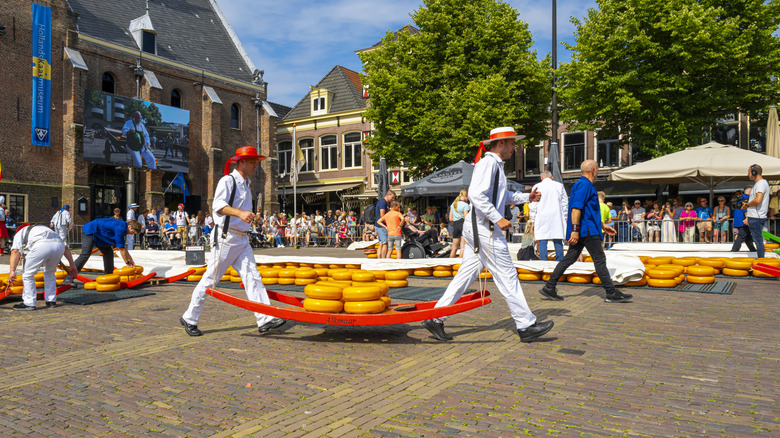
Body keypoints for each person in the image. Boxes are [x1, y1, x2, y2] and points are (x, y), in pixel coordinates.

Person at [422, 126, 552, 343]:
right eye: (512, 143)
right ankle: (526, 324)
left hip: (480, 229)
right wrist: (497, 218)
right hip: (485, 230)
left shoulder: (494, 165)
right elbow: (476, 195)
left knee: (465, 275)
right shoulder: (488, 164)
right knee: (508, 275)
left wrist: (527, 198)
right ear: (501, 143)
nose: (515, 148)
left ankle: (436, 318)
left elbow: (502, 195)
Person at [181, 146, 285, 337]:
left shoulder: (247, 182)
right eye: (253, 162)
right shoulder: (228, 180)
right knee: (211, 279)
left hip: (242, 239)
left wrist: (248, 216)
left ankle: (264, 318)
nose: (256, 165)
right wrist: (241, 213)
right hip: (226, 238)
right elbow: (218, 206)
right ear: (242, 162)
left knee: (252, 276)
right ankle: (190, 317)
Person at [539, 160, 633, 304]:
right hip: (587, 231)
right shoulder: (585, 185)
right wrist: (575, 230)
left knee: (569, 258)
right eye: (597, 171)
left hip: (587, 228)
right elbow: (576, 208)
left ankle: (550, 286)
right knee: (599, 260)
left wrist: (602, 225)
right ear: (593, 170)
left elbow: (588, 211)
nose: (598, 173)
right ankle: (611, 292)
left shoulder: (581, 185)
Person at [8, 224, 79, 310]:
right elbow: (66, 248)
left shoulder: (20, 233)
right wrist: (72, 265)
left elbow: (15, 251)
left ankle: (29, 303)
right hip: (59, 246)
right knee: (50, 273)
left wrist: (12, 271)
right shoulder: (44, 229)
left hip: (42, 245)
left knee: (28, 275)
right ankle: (51, 300)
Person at [73, 218, 142, 277]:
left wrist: (131, 260)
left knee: (109, 253)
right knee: (85, 254)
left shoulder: (123, 227)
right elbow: (121, 249)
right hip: (90, 231)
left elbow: (124, 247)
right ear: (129, 226)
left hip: (100, 236)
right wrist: (127, 263)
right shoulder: (120, 228)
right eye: (132, 232)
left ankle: (108, 276)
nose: (132, 234)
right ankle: (69, 277)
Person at [532, 171, 568, 261]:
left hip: (542, 216)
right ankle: (559, 261)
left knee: (542, 240)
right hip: (557, 216)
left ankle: (543, 261)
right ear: (552, 177)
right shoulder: (559, 186)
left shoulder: (537, 186)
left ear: (541, 178)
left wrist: (533, 220)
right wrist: (565, 217)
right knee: (558, 239)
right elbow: (565, 203)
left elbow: (533, 205)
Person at [744, 164, 770, 257]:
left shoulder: (761, 184)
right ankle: (760, 259)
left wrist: (747, 204)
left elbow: (758, 200)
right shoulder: (760, 183)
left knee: (758, 241)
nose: (748, 174)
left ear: (754, 172)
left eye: (749, 172)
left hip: (756, 217)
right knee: (755, 240)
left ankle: (761, 260)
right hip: (755, 216)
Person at [374, 190, 396, 258]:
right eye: (392, 197)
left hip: (378, 225)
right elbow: (382, 216)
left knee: (381, 243)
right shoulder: (383, 202)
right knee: (385, 243)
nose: (393, 199)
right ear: (388, 195)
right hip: (381, 226)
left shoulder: (384, 203)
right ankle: (383, 259)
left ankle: (379, 258)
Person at [449, 190, 470, 258]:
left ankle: (450, 264)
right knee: (462, 247)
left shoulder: (453, 204)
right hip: (463, 225)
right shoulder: (465, 205)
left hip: (455, 225)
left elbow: (450, 218)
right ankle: (460, 265)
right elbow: (466, 217)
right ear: (466, 196)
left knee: (454, 248)